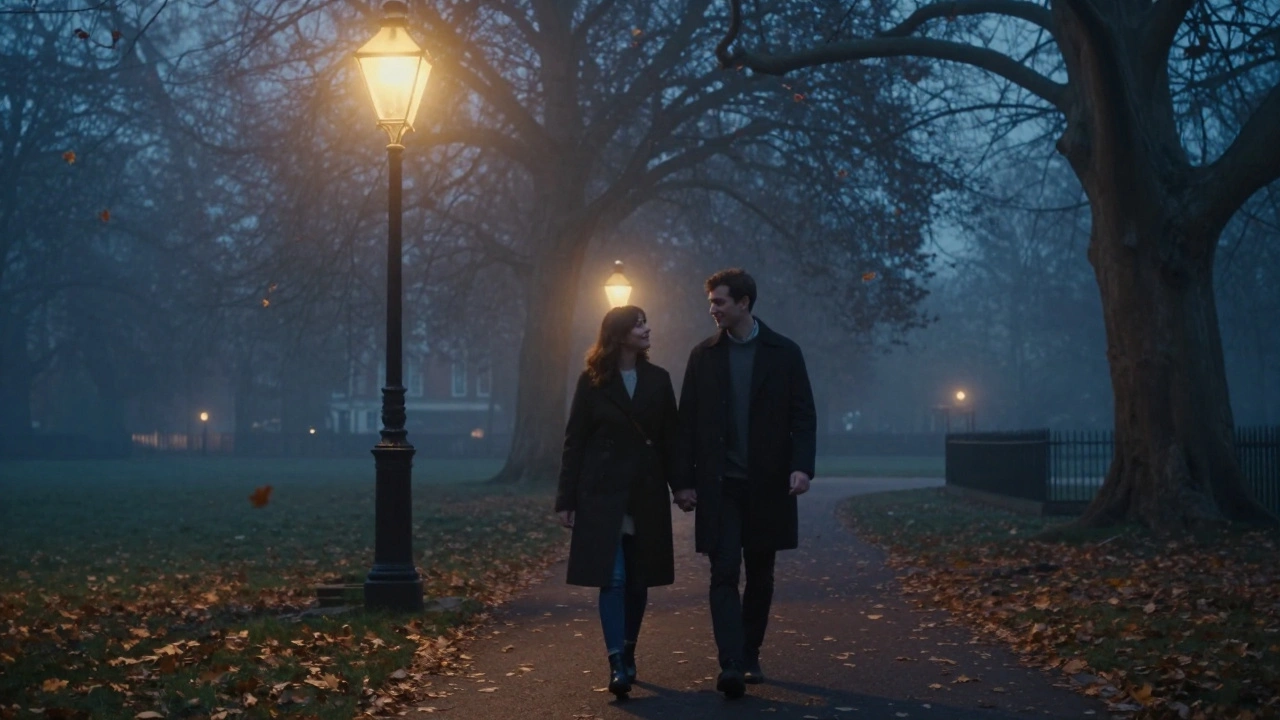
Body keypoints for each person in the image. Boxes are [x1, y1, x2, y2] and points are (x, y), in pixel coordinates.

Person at [672, 268, 816, 699]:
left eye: (719, 302)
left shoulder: (784, 353)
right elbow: (686, 423)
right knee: (723, 570)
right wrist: (682, 481)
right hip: (721, 485)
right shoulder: (703, 356)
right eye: (711, 302)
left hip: (769, 484)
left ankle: (750, 651)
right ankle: (731, 662)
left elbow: (803, 415)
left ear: (744, 303)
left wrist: (801, 467)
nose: (712, 309)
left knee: (761, 574)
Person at [555, 305, 682, 698]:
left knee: (638, 579)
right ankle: (616, 664)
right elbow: (575, 440)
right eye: (638, 323)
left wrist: (683, 486)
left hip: (644, 490)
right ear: (619, 333)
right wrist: (567, 498)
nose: (646, 329)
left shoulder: (658, 380)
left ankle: (629, 651)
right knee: (613, 578)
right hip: (602, 493)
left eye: (645, 322)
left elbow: (671, 439)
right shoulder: (592, 382)